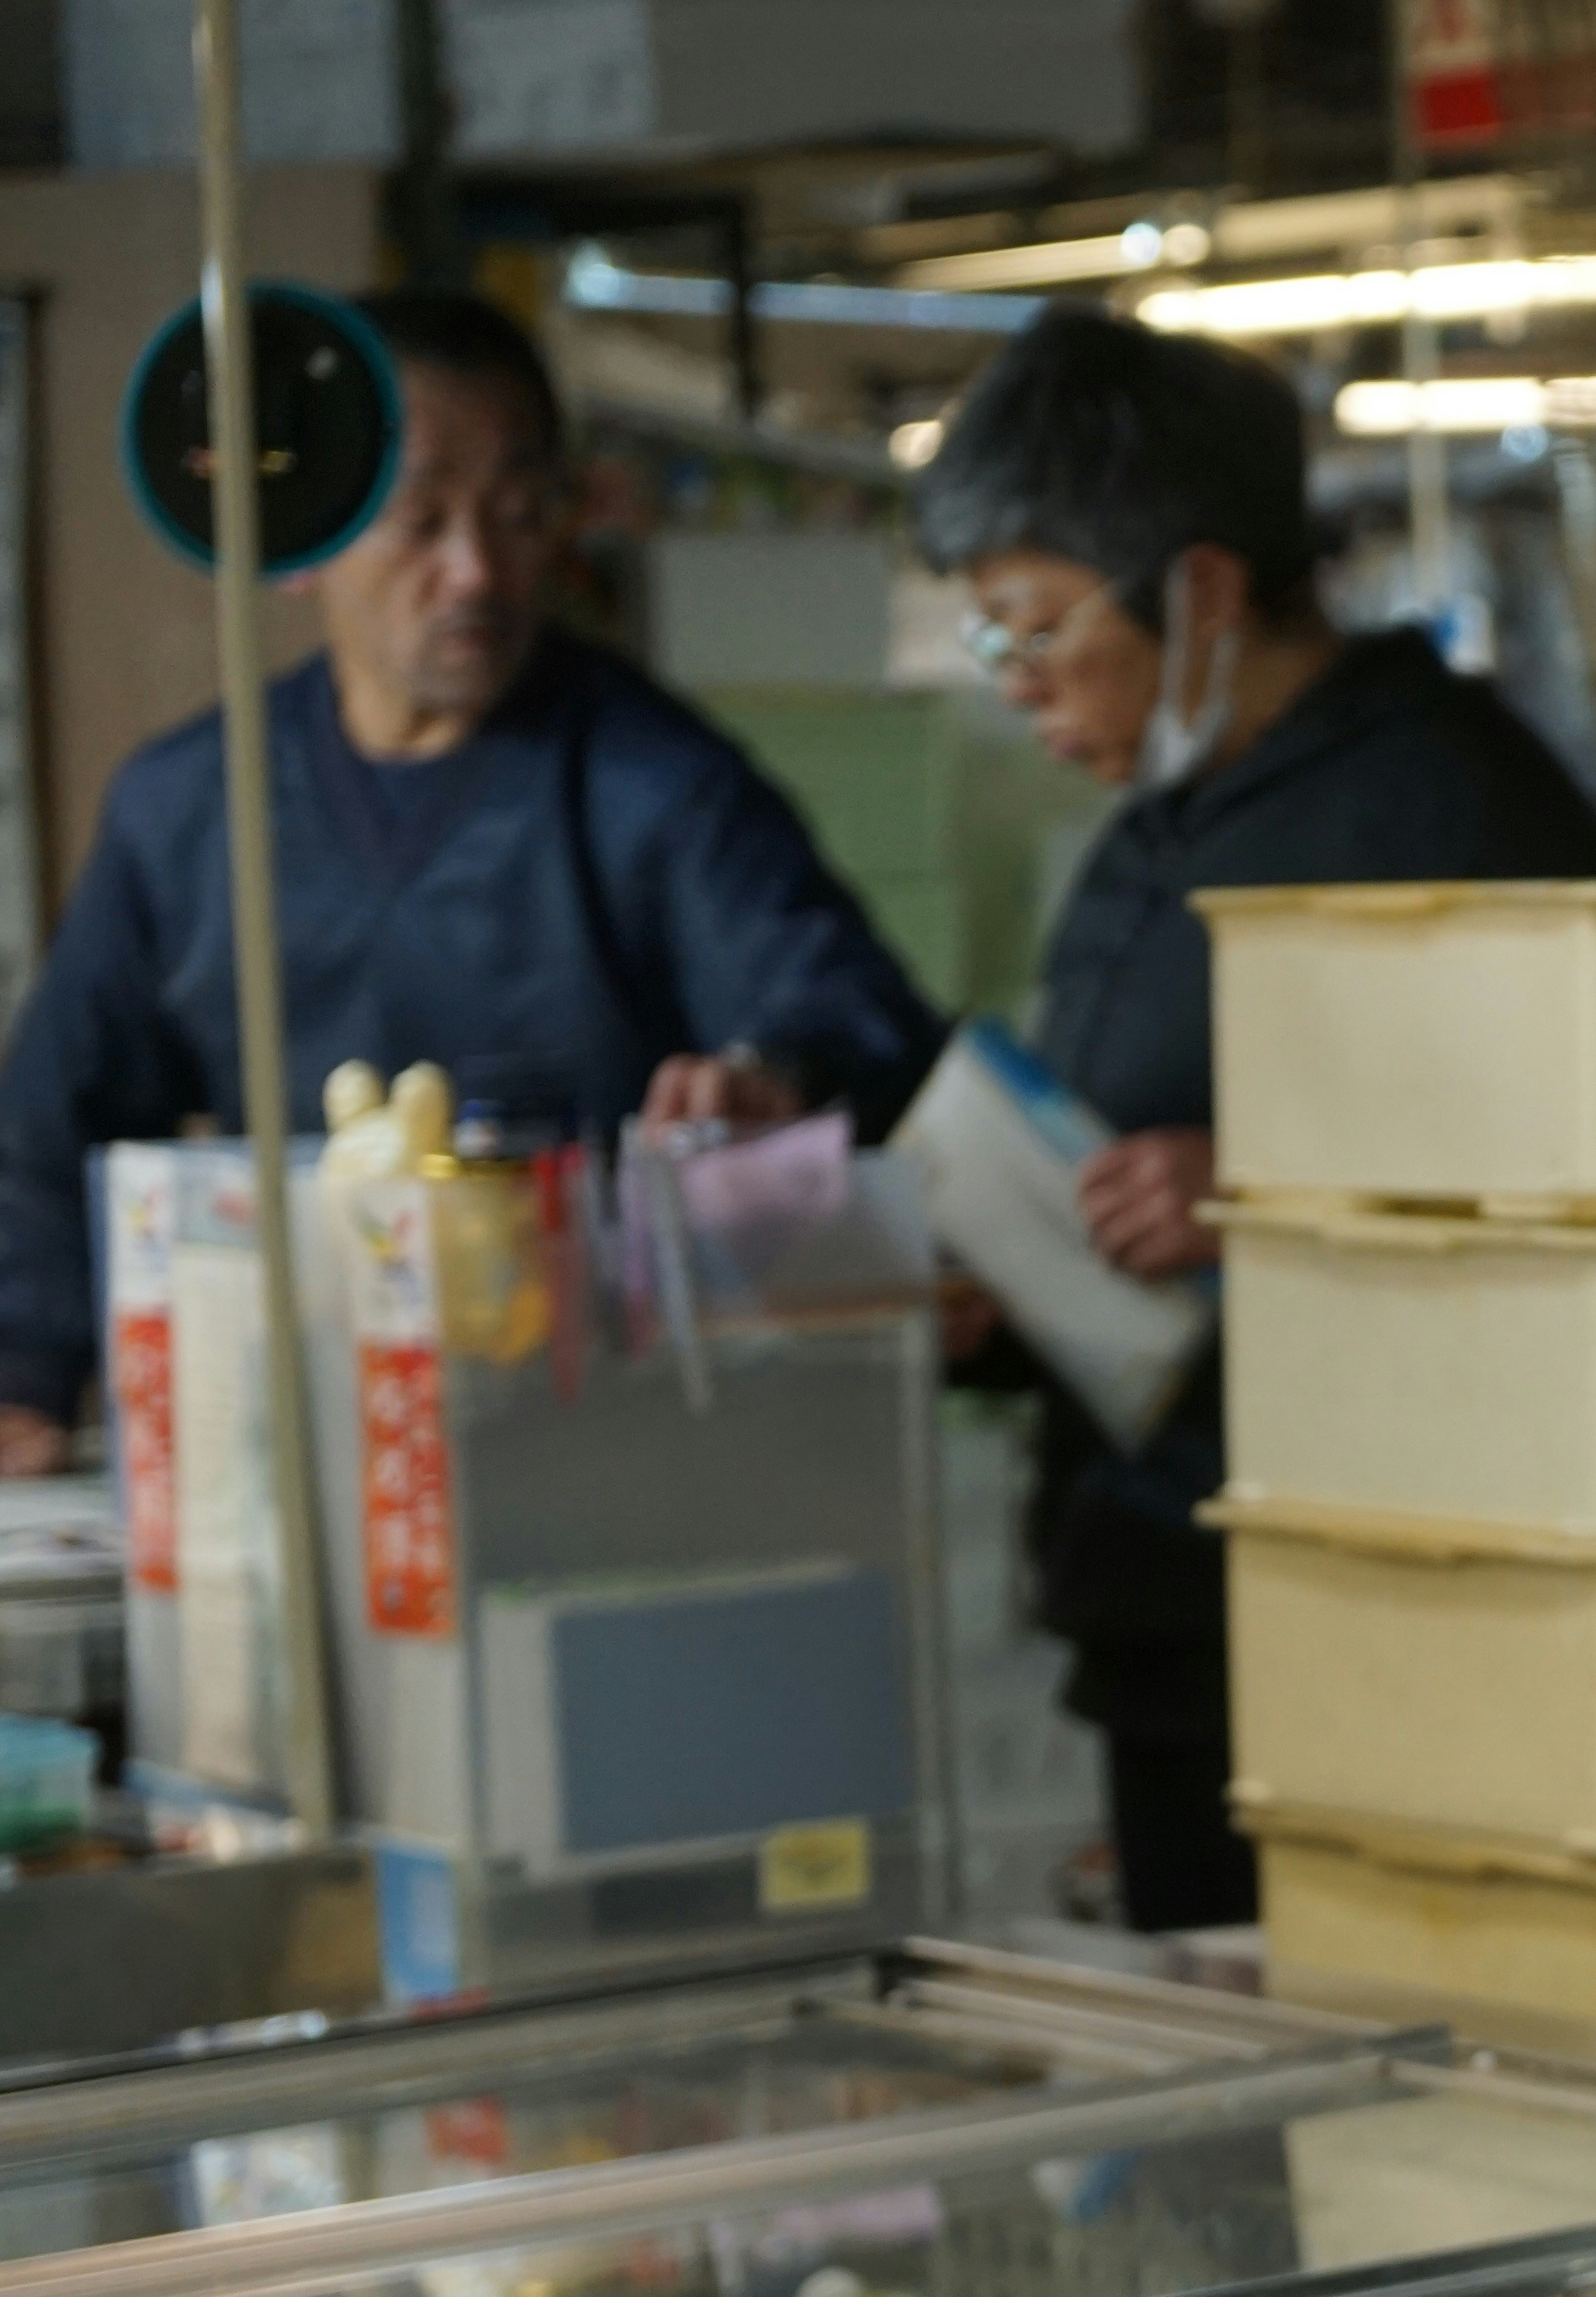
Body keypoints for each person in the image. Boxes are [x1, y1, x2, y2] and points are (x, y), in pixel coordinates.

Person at [911, 307, 1596, 1932]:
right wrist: (1000, 1297)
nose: (1020, 689)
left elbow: (1573, 1180)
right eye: (990, 646)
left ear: (1205, 589)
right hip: (1164, 1599)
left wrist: (1278, 1191)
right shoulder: (1154, 830)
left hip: (1370, 1620)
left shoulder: (1454, 805)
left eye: (1036, 632)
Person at [0, 287, 943, 1471]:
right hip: (312, 1438)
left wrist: (773, 1080)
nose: (478, 574)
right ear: (305, 537)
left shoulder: (653, 786)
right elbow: (49, 1128)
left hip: (612, 1435)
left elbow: (858, 1016)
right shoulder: (191, 809)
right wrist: (23, 1375)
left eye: (518, 514)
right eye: (421, 520)